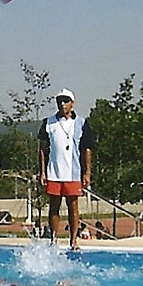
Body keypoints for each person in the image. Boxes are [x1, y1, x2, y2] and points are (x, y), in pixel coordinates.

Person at [38, 88, 95, 251]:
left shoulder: (81, 123)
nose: (62, 104)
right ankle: (53, 239)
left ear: (72, 103)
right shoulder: (48, 122)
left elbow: (87, 149)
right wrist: (42, 171)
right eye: (59, 101)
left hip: (73, 172)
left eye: (65, 101)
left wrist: (87, 172)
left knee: (73, 207)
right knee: (54, 207)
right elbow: (42, 148)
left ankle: (73, 240)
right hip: (54, 172)